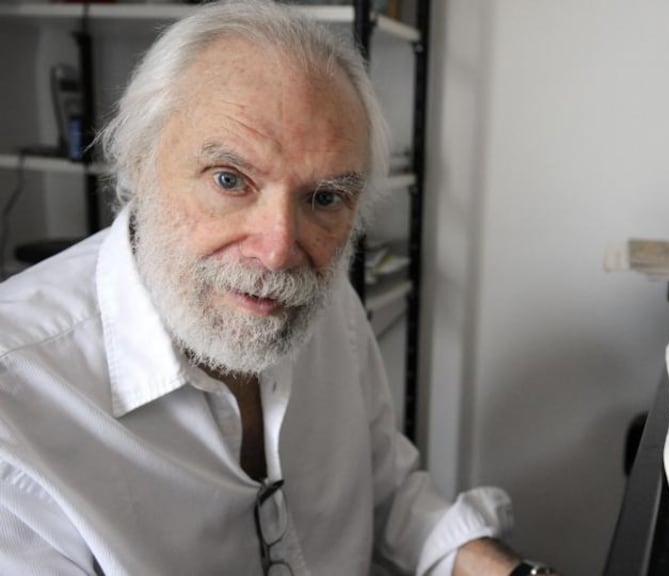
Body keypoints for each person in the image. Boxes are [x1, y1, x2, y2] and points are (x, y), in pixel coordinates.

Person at [0, 1, 555, 574]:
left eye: (323, 198)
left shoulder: (331, 304)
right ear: (138, 160)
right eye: (229, 179)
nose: (278, 252)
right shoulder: (14, 414)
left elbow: (387, 494)